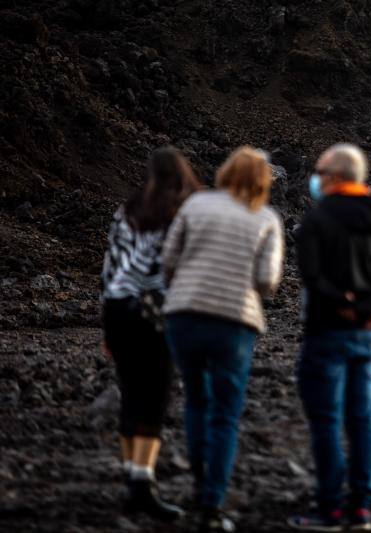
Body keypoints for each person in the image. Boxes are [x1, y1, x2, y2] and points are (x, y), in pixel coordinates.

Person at [162, 146, 284, 533]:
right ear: (263, 181)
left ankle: (198, 483)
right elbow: (267, 280)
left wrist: (182, 287)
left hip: (184, 314)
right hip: (234, 321)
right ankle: (212, 503)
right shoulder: (266, 217)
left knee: (196, 399)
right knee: (226, 413)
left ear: (226, 171)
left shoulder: (196, 205)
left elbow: (168, 258)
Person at [288, 144, 371, 532]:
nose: (316, 178)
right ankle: (361, 508)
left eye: (320, 172)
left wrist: (343, 305)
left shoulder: (317, 220)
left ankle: (330, 508)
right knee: (361, 421)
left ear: (336, 177)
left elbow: (311, 277)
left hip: (326, 333)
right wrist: (367, 309)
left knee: (325, 420)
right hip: (367, 335)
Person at [100, 146, 202, 521]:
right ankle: (144, 485)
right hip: (158, 311)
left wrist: (107, 323)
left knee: (129, 392)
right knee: (154, 397)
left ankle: (131, 478)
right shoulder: (183, 215)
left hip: (118, 308)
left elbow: (110, 268)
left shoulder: (126, 211)